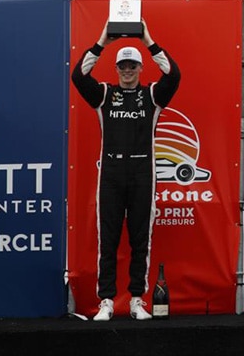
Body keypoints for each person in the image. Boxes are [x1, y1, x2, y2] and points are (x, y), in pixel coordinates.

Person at [71, 19, 180, 321]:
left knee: (139, 239)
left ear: (141, 69)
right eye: (123, 66)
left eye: (133, 66)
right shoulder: (104, 95)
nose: (128, 71)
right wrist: (102, 41)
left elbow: (175, 75)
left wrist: (148, 39)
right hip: (111, 173)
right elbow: (79, 76)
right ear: (116, 69)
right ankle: (105, 300)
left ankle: (136, 300)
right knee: (107, 239)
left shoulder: (153, 96)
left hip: (143, 172)